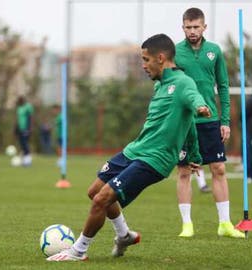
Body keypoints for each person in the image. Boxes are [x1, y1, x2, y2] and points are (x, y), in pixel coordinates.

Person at [46, 33, 211, 262]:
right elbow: (188, 122)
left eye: (145, 59)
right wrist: (194, 153)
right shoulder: (160, 85)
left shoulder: (183, 83)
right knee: (94, 191)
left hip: (155, 159)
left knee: (101, 200)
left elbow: (195, 99)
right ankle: (125, 235)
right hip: (136, 150)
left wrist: (201, 107)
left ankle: (78, 250)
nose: (143, 65)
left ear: (161, 58)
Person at [174, 7, 244, 238]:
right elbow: (168, 86)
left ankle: (224, 223)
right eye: (188, 27)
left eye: (196, 27)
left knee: (219, 169)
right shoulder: (175, 52)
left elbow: (223, 87)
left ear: (204, 27)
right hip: (185, 121)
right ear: (182, 27)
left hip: (210, 120)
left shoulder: (215, 51)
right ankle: (187, 224)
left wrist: (225, 121)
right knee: (184, 171)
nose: (192, 31)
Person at [15, 96, 34, 166]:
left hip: (26, 128)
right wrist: (15, 129)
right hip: (20, 129)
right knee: (22, 144)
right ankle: (24, 159)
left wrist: (30, 128)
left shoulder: (28, 107)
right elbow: (17, 119)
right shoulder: (19, 108)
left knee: (25, 143)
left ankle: (28, 160)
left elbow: (31, 117)